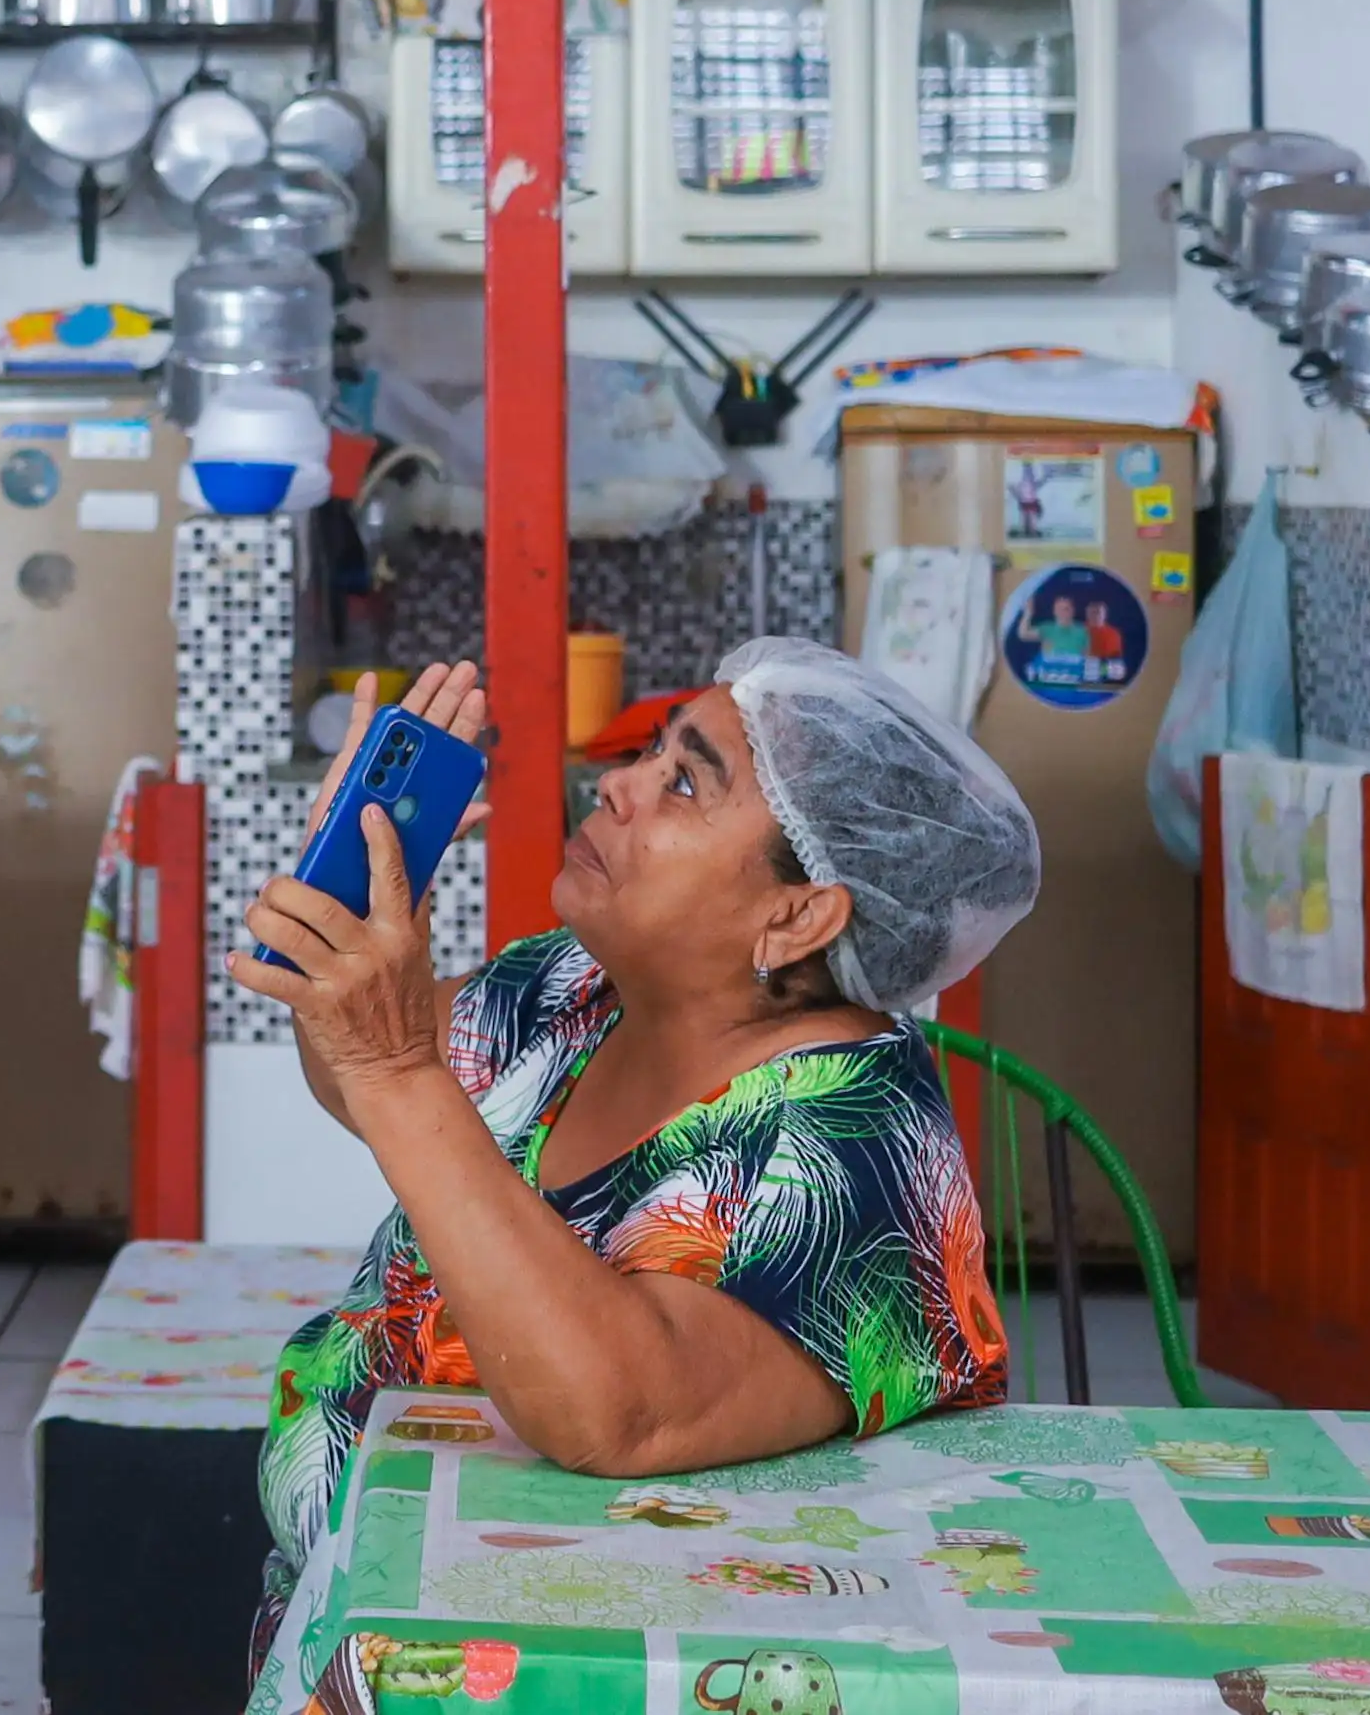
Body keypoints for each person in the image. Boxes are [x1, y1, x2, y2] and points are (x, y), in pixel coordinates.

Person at [234, 640, 1040, 1693]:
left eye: (686, 779)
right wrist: (342, 920)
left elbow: (620, 1413)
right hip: (376, 1622)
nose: (616, 782)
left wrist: (393, 1063)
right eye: (652, 751)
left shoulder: (853, 1139)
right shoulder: (577, 988)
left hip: (593, 1672)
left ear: (797, 913)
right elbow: (368, 1088)